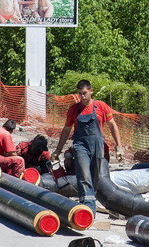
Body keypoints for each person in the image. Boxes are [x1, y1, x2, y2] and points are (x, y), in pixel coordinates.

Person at [53, 80, 124, 212]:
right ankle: (87, 208)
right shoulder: (74, 109)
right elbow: (67, 129)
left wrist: (118, 146)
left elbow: (113, 125)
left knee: (95, 175)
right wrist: (58, 149)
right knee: (84, 174)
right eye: (80, 94)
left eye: (85, 93)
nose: (82, 96)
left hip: (97, 145)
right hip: (80, 146)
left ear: (91, 91)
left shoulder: (101, 106)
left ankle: (91, 202)